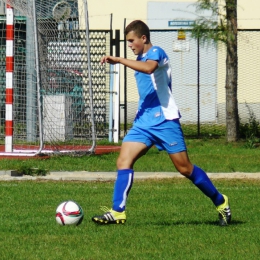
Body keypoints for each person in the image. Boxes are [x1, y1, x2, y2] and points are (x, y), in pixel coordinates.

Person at [92, 20, 231, 226]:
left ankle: (221, 202)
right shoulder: (139, 59)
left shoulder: (157, 52)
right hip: (143, 122)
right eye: (128, 42)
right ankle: (118, 211)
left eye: (132, 41)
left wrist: (119, 60)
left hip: (165, 120)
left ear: (143, 38)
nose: (130, 45)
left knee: (185, 168)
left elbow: (149, 69)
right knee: (124, 160)